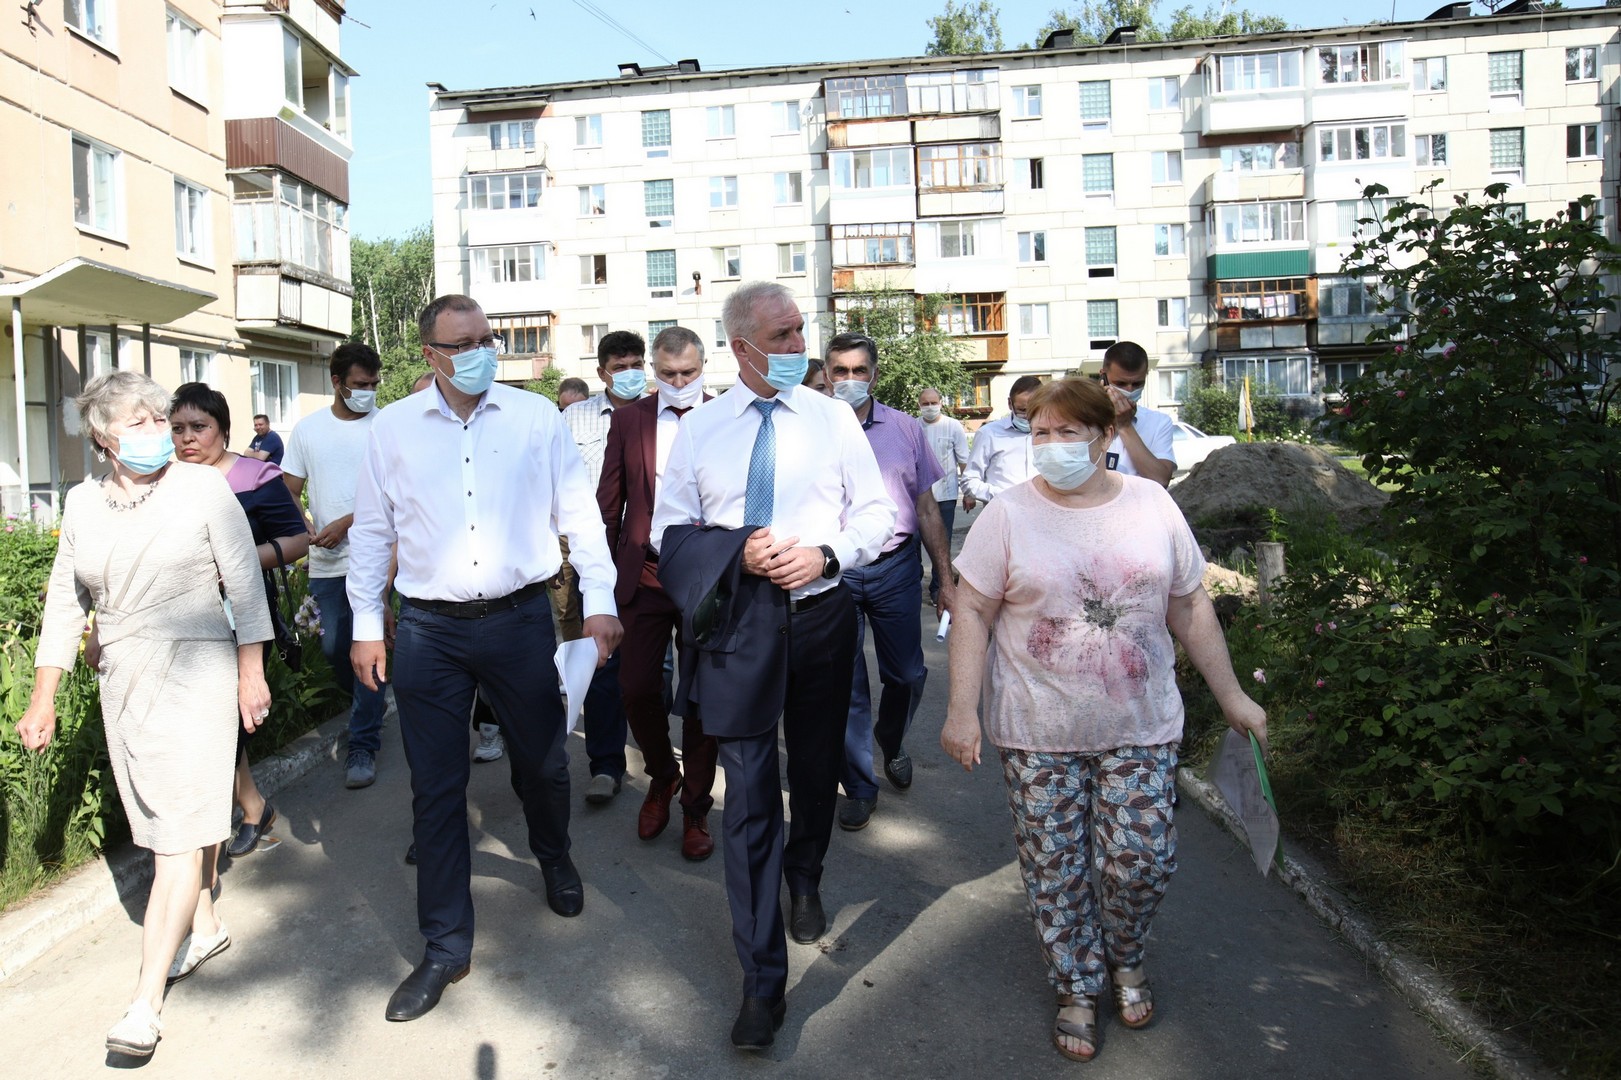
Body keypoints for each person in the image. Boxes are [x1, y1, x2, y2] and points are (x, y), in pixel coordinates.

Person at [940, 377, 1267, 1064]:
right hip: (1036, 727)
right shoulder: (1007, 514)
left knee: (1141, 860)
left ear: (1105, 436)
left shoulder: (1152, 505)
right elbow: (971, 610)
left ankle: (1123, 950)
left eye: (1067, 432)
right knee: (1053, 869)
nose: (1051, 446)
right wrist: (961, 712)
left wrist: (1232, 695)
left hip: (1141, 721)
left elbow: (1188, 604)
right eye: (1040, 433)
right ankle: (1077, 985)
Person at [347, 294, 622, 1023]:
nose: (480, 351)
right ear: (430, 355)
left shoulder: (536, 418)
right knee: (436, 790)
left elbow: (579, 513)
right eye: (461, 342)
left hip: (519, 621)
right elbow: (373, 533)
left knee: (541, 761)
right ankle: (444, 946)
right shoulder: (393, 429)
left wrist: (600, 599)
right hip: (430, 632)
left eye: (486, 338)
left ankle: (552, 853)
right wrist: (367, 624)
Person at [651, 281, 895, 1051]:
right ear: (741, 348)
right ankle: (761, 981)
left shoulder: (831, 419)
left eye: (800, 333)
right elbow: (668, 532)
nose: (800, 348)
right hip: (738, 631)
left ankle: (807, 873)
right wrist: (736, 551)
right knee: (751, 797)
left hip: (821, 618)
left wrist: (829, 552)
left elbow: (879, 515)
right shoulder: (699, 430)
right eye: (784, 336)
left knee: (815, 767)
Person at [15, 371, 272, 1059]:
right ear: (103, 437)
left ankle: (143, 1004)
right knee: (161, 817)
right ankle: (206, 922)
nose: (160, 434)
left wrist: (251, 673)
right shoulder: (81, 505)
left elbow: (245, 587)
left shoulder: (202, 489)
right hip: (124, 677)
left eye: (162, 420)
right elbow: (66, 607)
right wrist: (43, 696)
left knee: (177, 840)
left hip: (198, 669)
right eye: (140, 424)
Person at [170, 383, 311, 860]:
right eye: (178, 429)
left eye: (199, 427)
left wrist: (237, 562)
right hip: (181, 623)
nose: (188, 438)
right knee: (204, 723)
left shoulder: (254, 478)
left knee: (224, 721)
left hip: (244, 619)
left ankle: (225, 825)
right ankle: (251, 806)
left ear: (224, 431)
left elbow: (296, 539)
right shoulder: (165, 482)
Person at [597, 326, 719, 860]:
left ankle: (695, 807)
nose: (678, 382)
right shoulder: (630, 419)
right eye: (667, 374)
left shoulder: (729, 416)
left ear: (703, 366)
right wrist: (598, 586)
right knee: (635, 685)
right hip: (643, 573)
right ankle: (662, 773)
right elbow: (609, 503)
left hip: (708, 576)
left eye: (687, 373)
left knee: (700, 698)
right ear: (654, 371)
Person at [823, 334, 953, 829]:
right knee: (847, 683)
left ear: (874, 375)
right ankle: (858, 784)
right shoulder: (811, 431)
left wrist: (945, 579)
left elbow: (926, 508)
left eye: (859, 371)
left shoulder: (904, 429)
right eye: (840, 371)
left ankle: (892, 737)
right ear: (828, 374)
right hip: (835, 572)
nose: (850, 380)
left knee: (907, 675)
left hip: (896, 566)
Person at [283, 343, 388, 789]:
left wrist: (348, 521)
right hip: (325, 560)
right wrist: (305, 524)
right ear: (336, 381)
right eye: (359, 385)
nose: (367, 392)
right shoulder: (308, 431)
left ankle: (362, 743)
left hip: (378, 557)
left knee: (364, 646)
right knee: (332, 650)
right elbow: (288, 489)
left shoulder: (386, 426)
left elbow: (395, 493)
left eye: (373, 385)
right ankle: (375, 695)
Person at [560, 331, 649, 804]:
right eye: (621, 366)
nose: (631, 373)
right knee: (600, 660)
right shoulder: (574, 418)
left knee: (659, 666)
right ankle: (606, 764)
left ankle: (657, 742)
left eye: (638, 363)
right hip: (588, 556)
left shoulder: (654, 415)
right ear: (602, 373)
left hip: (647, 554)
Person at [917, 386, 969, 606]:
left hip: (946, 495)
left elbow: (964, 460)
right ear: (919, 405)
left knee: (942, 544)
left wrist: (969, 492)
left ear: (941, 402)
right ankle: (912, 585)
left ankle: (938, 588)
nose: (929, 407)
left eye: (933, 402)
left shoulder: (952, 426)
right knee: (913, 544)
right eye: (925, 403)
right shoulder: (912, 426)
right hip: (918, 497)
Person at [1098, 341, 1176, 487]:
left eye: (1137, 384)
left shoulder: (1159, 422)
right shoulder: (1083, 418)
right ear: (1103, 377)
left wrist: (1125, 426)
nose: (1129, 390)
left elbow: (1160, 480)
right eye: (1120, 384)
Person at [962, 374, 1042, 506]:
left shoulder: (1053, 434)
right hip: (1001, 512)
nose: (1028, 417)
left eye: (1035, 410)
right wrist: (1002, 495)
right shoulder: (989, 434)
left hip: (1042, 512)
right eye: (1022, 410)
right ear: (1010, 403)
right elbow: (969, 480)